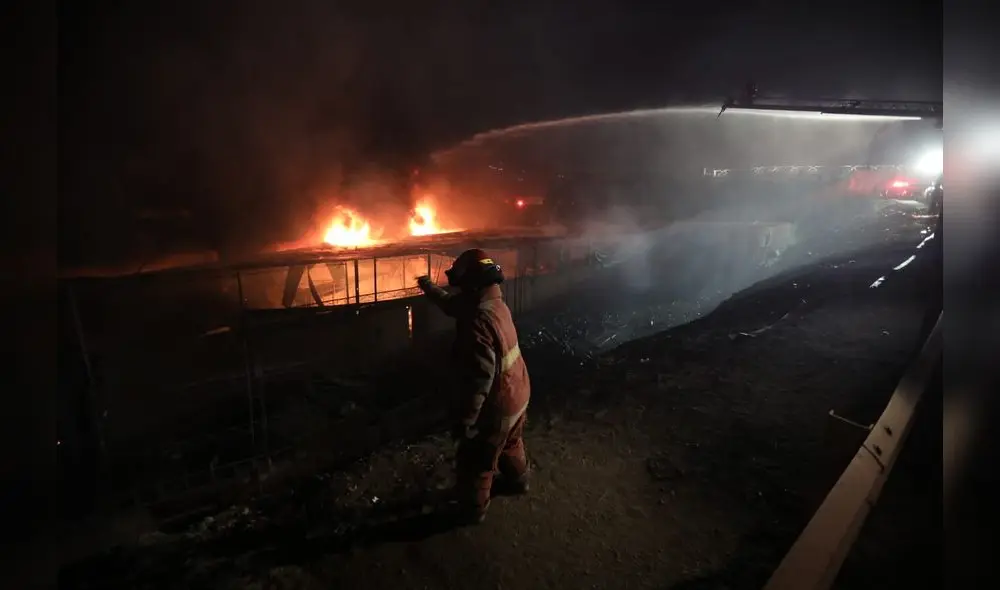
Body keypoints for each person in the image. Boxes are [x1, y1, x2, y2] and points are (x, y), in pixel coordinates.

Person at [416, 248, 531, 524]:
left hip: (498, 404)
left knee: (477, 459)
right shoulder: (495, 305)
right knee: (510, 442)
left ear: (471, 285)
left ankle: (472, 510)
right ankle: (519, 481)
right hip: (520, 392)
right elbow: (452, 305)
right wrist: (429, 288)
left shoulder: (476, 322)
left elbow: (478, 380)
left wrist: (466, 421)